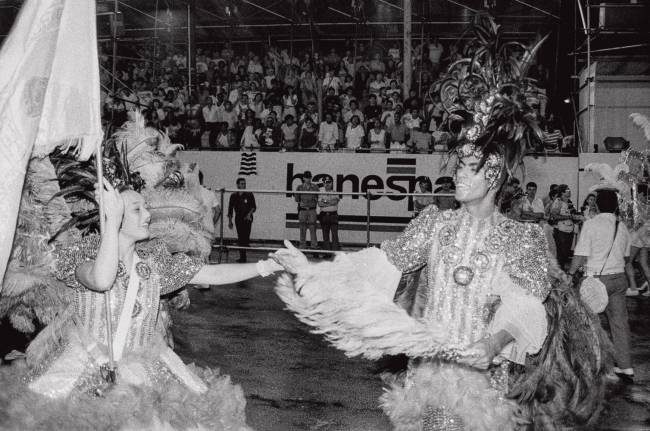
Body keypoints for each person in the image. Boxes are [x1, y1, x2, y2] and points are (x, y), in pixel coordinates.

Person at [273, 93, 606, 430]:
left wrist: (493, 343)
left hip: (484, 381)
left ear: (492, 177)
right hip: (429, 375)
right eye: (458, 165)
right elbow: (379, 265)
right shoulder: (434, 224)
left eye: (467, 167)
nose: (457, 175)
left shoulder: (520, 238)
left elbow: (527, 306)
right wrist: (311, 270)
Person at [21, 179, 280, 428]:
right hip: (82, 371)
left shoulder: (154, 262)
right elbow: (101, 279)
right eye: (137, 209)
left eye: (145, 207)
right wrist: (110, 224)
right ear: (114, 216)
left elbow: (211, 274)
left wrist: (267, 265)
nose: (147, 214)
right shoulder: (83, 254)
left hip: (147, 371)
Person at [569, 189, 634, 384]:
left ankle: (596, 366)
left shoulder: (591, 224)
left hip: (597, 281)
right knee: (619, 323)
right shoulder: (621, 226)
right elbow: (627, 256)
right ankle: (626, 366)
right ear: (615, 206)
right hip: (619, 279)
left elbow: (580, 254)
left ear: (596, 205)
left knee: (588, 324)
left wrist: (570, 274)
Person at [228, 178, 256, 262]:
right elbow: (230, 209)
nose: (244, 185)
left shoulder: (249, 194)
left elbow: (253, 207)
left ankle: (245, 249)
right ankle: (243, 257)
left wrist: (249, 214)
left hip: (247, 218)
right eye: (242, 184)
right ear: (237, 185)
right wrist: (230, 221)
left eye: (244, 184)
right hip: (238, 219)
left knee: (245, 238)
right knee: (240, 238)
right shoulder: (233, 196)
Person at [294, 171, 320, 249]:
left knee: (313, 228)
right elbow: (297, 199)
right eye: (306, 177)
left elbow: (318, 198)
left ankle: (314, 246)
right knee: (302, 228)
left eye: (309, 177)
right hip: (303, 210)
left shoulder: (315, 187)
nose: (308, 179)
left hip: (312, 210)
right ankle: (302, 246)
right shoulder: (299, 187)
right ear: (303, 178)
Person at [318, 175, 341, 251]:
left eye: (329, 182)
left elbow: (335, 201)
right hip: (324, 216)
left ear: (331, 183)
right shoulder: (320, 192)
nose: (327, 184)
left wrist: (325, 201)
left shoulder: (335, 192)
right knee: (325, 235)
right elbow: (320, 204)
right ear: (323, 183)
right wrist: (329, 202)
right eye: (325, 182)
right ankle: (327, 253)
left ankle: (335, 253)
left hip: (333, 215)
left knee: (334, 235)